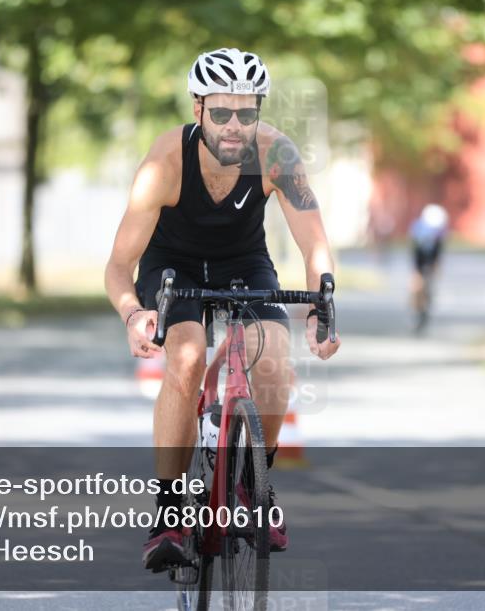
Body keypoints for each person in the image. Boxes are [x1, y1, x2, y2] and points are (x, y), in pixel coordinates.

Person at [103, 47, 342, 572]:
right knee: (186, 357)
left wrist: (323, 307)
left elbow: (314, 244)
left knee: (275, 359)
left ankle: (256, 485)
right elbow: (119, 266)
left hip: (243, 263)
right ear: (198, 110)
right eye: (221, 113)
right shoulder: (164, 164)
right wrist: (131, 314)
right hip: (173, 267)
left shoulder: (277, 155)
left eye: (246, 112)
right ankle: (169, 510)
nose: (234, 126)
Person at [409, 203, 448, 331]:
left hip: (430, 262)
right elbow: (415, 252)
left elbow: (438, 249)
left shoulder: (439, 233)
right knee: (417, 287)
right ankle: (418, 310)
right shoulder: (419, 230)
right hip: (419, 262)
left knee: (429, 287)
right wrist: (416, 271)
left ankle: (426, 306)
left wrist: (436, 265)